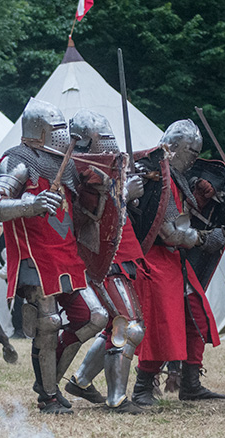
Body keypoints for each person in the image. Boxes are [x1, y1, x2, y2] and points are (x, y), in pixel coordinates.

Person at [0, 98, 108, 414]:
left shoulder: (65, 164)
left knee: (95, 317)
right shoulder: (17, 160)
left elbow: (81, 214)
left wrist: (102, 190)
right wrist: (32, 203)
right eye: (55, 129)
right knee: (49, 323)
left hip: (67, 257)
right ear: (40, 131)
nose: (60, 134)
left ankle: (48, 378)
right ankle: (49, 396)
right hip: (35, 258)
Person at [131, 119, 225, 406]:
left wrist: (201, 196)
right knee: (161, 324)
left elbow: (181, 216)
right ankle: (142, 387)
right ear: (173, 148)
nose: (194, 159)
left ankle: (191, 383)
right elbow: (171, 232)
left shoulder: (174, 177)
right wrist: (204, 239)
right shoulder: (156, 178)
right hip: (155, 260)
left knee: (196, 317)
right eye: (191, 152)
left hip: (174, 261)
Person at [62, 109, 146, 414]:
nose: (109, 146)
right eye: (103, 140)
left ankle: (82, 381)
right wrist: (123, 193)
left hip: (119, 253)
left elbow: (116, 214)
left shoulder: (106, 169)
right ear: (85, 141)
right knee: (129, 326)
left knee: (117, 324)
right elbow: (87, 216)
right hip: (99, 257)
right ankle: (117, 399)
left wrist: (129, 196)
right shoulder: (77, 171)